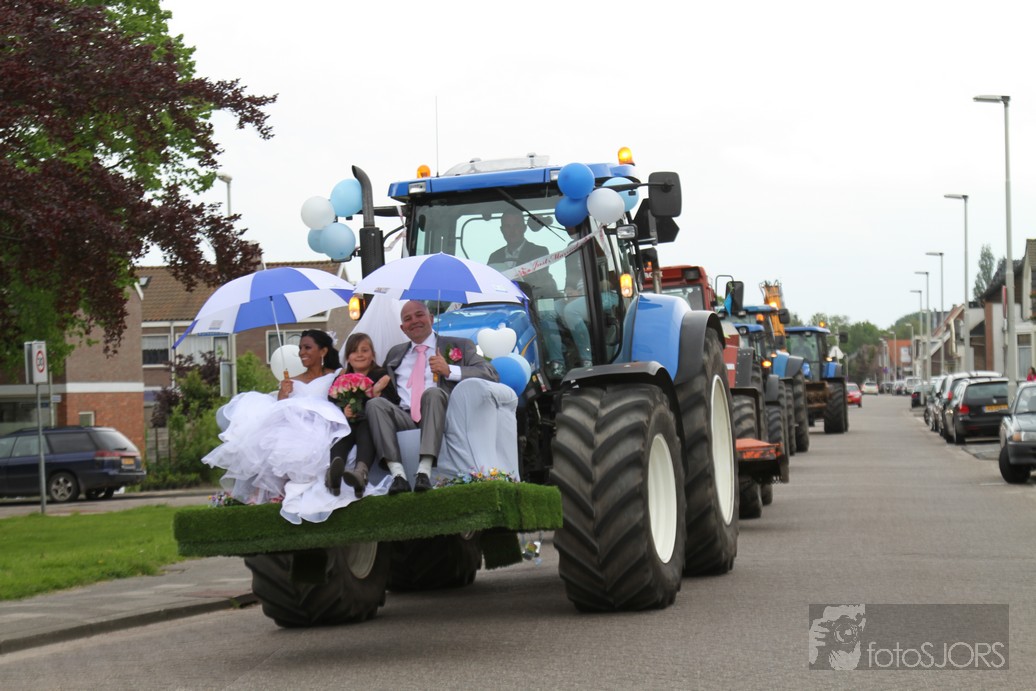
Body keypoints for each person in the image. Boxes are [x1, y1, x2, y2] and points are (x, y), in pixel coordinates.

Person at [204, 329, 351, 508]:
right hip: (292, 428)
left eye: (307, 347)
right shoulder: (292, 381)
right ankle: (275, 497)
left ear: (323, 351)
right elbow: (281, 409)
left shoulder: (336, 375)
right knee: (273, 446)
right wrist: (283, 394)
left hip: (323, 426)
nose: (301, 352)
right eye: (300, 348)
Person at [366, 300, 498, 494]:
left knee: (433, 393)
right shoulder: (395, 353)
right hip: (405, 417)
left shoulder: (459, 345)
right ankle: (398, 475)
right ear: (403, 328)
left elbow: (491, 374)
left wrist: (449, 370)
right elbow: (387, 389)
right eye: (408, 319)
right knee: (375, 404)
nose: (414, 321)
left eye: (419, 315)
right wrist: (375, 391)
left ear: (431, 318)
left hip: (441, 414)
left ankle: (424, 471)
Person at [325, 332, 397, 497]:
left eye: (364, 350)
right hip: (349, 423)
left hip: (370, 422)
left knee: (365, 425)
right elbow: (332, 399)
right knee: (344, 431)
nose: (359, 355)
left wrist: (377, 393)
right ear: (348, 358)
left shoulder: (380, 376)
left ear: (373, 355)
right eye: (354, 351)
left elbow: (393, 401)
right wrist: (343, 410)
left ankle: (361, 472)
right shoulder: (342, 378)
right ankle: (333, 472)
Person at [487, 210, 557, 296]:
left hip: (532, 299)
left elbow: (537, 280)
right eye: (508, 226)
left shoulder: (539, 252)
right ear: (502, 230)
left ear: (524, 228)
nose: (512, 231)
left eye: (516, 226)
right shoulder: (494, 257)